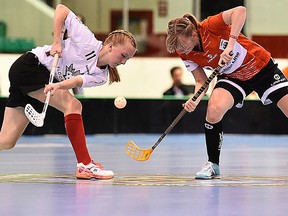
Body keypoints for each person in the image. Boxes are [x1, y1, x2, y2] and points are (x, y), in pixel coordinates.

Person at [0, 4, 137, 180]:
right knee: (73, 105)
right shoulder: (87, 40)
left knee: (6, 141)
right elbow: (61, 9)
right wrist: (57, 42)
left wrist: (59, 85)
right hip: (31, 66)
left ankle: (85, 164)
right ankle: (85, 164)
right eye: (123, 55)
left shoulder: (102, 76)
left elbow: (78, 81)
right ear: (110, 46)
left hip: (47, 82)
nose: (124, 62)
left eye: (128, 59)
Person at [166, 6, 288, 179]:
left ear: (193, 35)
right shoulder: (184, 52)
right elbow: (201, 81)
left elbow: (240, 11)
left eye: (182, 44)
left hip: (261, 68)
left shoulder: (209, 26)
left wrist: (230, 44)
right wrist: (195, 99)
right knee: (214, 109)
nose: (181, 49)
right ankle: (213, 165)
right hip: (233, 76)